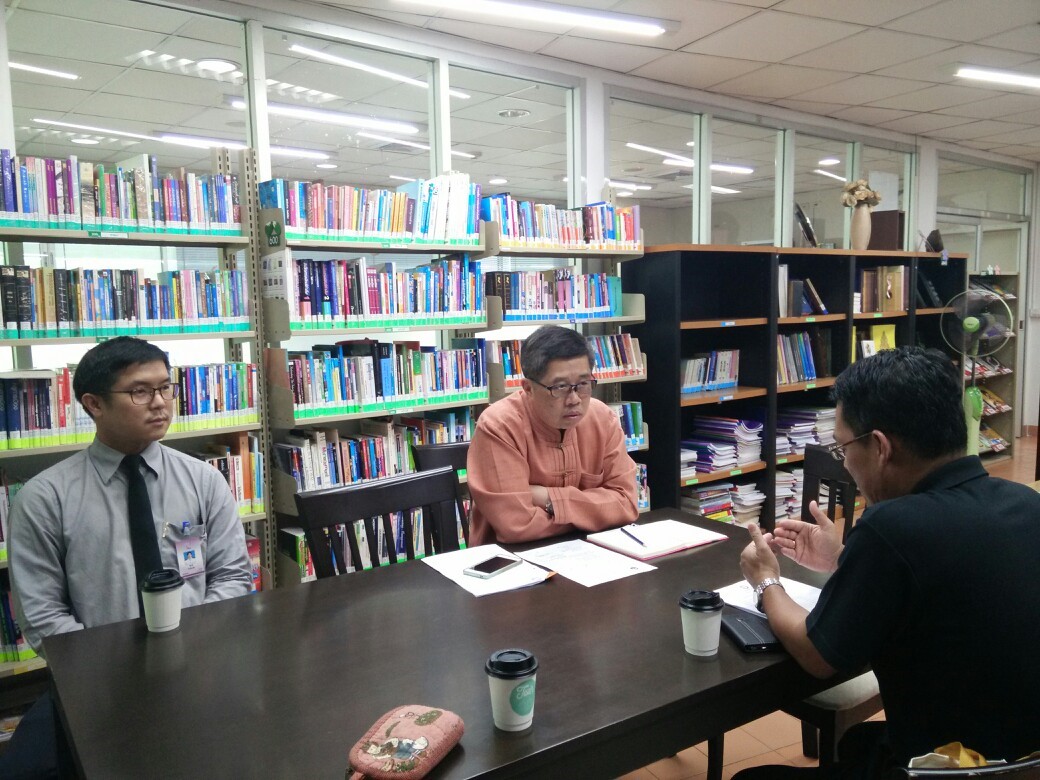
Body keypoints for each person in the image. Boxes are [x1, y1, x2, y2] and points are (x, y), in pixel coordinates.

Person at [736, 346, 1040, 779]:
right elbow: (943, 585)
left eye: (843, 448)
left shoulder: (892, 527)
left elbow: (817, 654)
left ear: (879, 447)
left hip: (947, 769)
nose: (846, 463)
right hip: (1020, 758)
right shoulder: (1026, 503)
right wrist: (843, 558)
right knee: (859, 743)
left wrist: (766, 580)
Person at [467, 325, 638, 545]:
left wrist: (546, 497)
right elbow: (516, 525)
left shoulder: (603, 419)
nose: (574, 399)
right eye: (560, 387)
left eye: (583, 384)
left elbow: (627, 503)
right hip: (513, 556)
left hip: (589, 551)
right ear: (528, 388)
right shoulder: (499, 426)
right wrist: (596, 512)